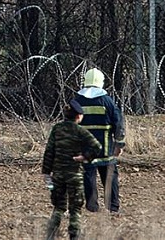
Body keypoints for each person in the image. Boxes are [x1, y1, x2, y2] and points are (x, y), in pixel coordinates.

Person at [42, 100, 102, 240]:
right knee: (75, 209)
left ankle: (50, 235)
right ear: (78, 116)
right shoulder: (80, 131)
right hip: (75, 174)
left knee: (58, 206)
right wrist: (85, 157)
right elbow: (97, 147)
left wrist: (46, 172)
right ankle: (74, 236)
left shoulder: (57, 129)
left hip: (57, 175)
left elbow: (49, 151)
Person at [75, 67, 126, 214]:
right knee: (110, 178)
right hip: (106, 148)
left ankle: (92, 208)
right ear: (101, 82)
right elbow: (118, 124)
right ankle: (113, 208)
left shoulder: (77, 101)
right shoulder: (107, 101)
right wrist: (119, 144)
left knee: (88, 177)